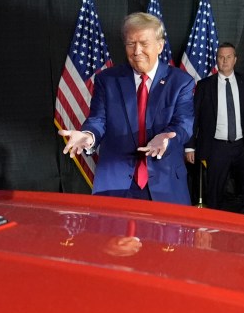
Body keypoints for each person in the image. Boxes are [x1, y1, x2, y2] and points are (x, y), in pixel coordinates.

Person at [59, 12, 194, 204]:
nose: (137, 51)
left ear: (160, 45)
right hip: (115, 183)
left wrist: (167, 140)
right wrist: (88, 135)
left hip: (166, 183)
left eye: (144, 43)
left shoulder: (180, 82)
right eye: (131, 44)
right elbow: (98, 120)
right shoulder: (108, 80)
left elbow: (184, 124)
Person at [185, 43, 244, 215]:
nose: (225, 60)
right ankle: (214, 222)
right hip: (217, 146)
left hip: (243, 144)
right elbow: (194, 117)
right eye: (221, 57)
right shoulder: (204, 85)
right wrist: (190, 145)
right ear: (216, 60)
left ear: (235, 59)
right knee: (215, 187)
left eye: (228, 56)